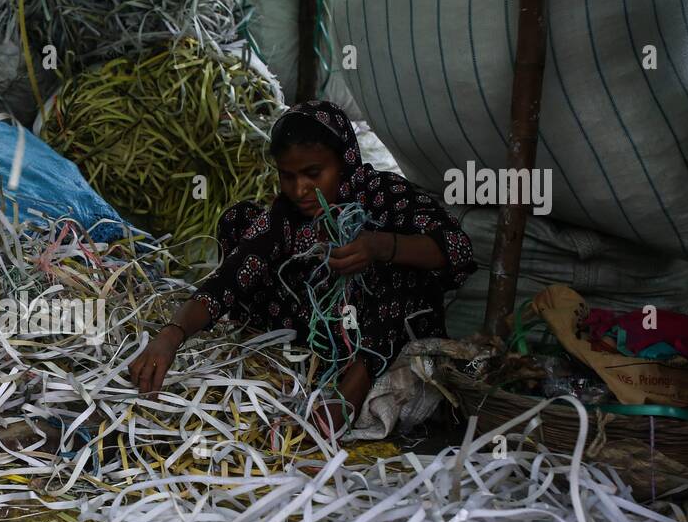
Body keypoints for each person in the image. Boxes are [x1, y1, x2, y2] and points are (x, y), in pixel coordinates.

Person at [129, 100, 477, 433]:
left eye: (313, 173)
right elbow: (233, 275)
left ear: (344, 161)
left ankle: (348, 396)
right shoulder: (288, 214)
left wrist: (382, 245)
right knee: (241, 221)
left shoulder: (384, 195)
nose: (300, 189)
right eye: (288, 176)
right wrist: (172, 335)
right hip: (319, 332)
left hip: (380, 329)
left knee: (389, 270)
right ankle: (274, 360)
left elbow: (458, 251)